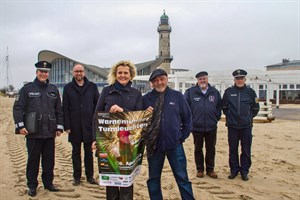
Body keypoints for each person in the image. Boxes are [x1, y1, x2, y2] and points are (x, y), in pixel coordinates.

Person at [13, 61, 63, 197]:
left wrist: (59, 127)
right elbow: (18, 108)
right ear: (36, 72)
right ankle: (32, 186)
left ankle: (48, 183)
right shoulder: (27, 89)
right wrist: (20, 126)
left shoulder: (53, 89)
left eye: (45, 72)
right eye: (41, 71)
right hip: (33, 132)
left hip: (49, 132)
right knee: (33, 160)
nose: (43, 73)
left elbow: (59, 110)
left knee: (49, 160)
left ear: (48, 74)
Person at [93, 60, 143, 200]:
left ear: (131, 74)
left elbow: (139, 117)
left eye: (125, 73)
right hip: (108, 141)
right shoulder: (106, 91)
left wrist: (122, 111)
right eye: (119, 72)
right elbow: (96, 116)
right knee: (112, 179)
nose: (122, 75)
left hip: (128, 141)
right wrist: (94, 139)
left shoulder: (136, 93)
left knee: (127, 179)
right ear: (115, 74)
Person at [143, 68, 195, 200]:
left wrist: (181, 137)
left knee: (182, 178)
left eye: (162, 79)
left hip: (175, 145)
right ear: (151, 83)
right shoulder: (145, 99)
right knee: (153, 179)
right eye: (155, 80)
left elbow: (188, 119)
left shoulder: (177, 96)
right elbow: (137, 120)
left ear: (167, 79)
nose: (159, 82)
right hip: (154, 147)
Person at [63, 64, 99, 186]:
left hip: (89, 125)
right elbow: (65, 108)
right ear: (73, 73)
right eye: (76, 71)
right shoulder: (68, 88)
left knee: (89, 153)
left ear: (84, 73)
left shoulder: (92, 87)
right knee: (75, 153)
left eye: (80, 71)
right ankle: (77, 177)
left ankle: (90, 176)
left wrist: (96, 124)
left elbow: (97, 106)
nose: (78, 73)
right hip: (74, 126)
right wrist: (66, 125)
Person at [222, 69, 260, 181]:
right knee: (233, 149)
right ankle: (234, 170)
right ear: (234, 79)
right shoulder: (228, 92)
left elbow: (255, 108)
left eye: (241, 78)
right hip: (232, 126)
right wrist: (230, 117)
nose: (239, 80)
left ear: (245, 79)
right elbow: (224, 107)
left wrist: (248, 118)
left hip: (246, 127)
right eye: (237, 78)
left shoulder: (251, 92)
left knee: (246, 149)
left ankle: (244, 171)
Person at [184, 71, 222, 179]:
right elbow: (185, 107)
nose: (202, 81)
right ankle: (200, 169)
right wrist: (190, 121)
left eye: (204, 78)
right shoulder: (191, 92)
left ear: (207, 79)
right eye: (200, 79)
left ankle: (210, 170)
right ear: (197, 80)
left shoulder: (214, 92)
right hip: (196, 127)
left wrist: (216, 117)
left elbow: (219, 106)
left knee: (211, 148)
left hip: (211, 126)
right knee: (198, 149)